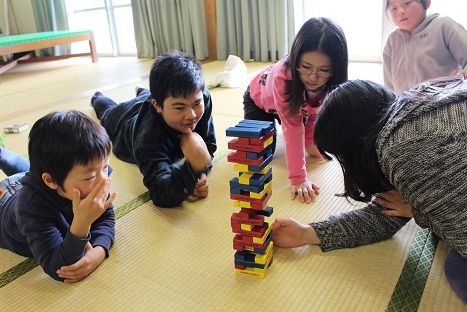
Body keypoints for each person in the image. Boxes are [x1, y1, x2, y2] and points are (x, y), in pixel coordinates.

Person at [272, 77, 467, 303]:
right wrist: (307, 233)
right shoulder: (406, 111)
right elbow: (386, 212)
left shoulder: (402, 152)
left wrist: (417, 212)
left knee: (455, 266)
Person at [0, 110, 117, 283]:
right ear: (51, 181)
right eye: (90, 176)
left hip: (30, 180)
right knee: (25, 174)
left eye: (105, 166)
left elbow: (106, 219)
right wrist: (82, 223)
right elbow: (58, 267)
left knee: (29, 170)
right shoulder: (31, 208)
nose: (103, 180)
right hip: (5, 203)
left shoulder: (94, 178)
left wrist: (99, 251)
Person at [91, 50, 216, 208]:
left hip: (155, 100)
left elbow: (209, 146)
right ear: (157, 106)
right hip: (124, 119)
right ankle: (97, 96)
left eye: (196, 104)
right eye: (180, 108)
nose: (191, 115)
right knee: (106, 109)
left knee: (151, 94)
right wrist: (190, 171)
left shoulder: (200, 96)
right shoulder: (148, 137)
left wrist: (200, 174)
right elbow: (159, 193)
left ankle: (144, 92)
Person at [243, 17, 348, 204]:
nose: (313, 77)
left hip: (293, 104)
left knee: (308, 127)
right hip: (260, 101)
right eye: (306, 67)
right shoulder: (283, 76)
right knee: (261, 153)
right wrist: (298, 178)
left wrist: (310, 143)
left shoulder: (331, 81)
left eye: (324, 69)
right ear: (296, 57)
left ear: (336, 67)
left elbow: (314, 112)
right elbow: (293, 126)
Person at [383, 0, 467, 94]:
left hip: (444, 101)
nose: (400, 11)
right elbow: (389, 87)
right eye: (394, 8)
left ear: (426, 2)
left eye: (407, 3)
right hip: (406, 105)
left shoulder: (443, 25)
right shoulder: (392, 40)